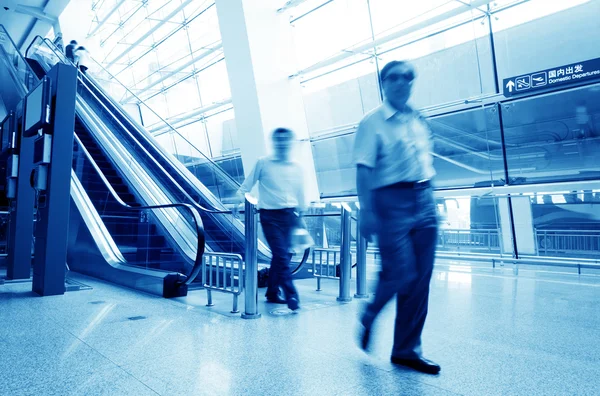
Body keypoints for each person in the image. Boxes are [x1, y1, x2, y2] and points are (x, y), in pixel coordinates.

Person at [353, 60, 440, 375]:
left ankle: (406, 351)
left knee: (420, 280)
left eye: (408, 77)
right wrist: (366, 212)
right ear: (383, 83)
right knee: (400, 271)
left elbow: (424, 162)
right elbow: (364, 169)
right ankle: (370, 313)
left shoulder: (419, 120)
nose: (402, 82)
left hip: (425, 199)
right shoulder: (372, 122)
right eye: (394, 77)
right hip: (390, 201)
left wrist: (430, 195)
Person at [237, 128, 305, 311]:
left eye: (286, 140)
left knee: (284, 255)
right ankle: (292, 295)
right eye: (278, 140)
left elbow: (300, 195)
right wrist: (246, 204)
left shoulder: (296, 167)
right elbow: (244, 189)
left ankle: (272, 292)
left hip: (291, 215)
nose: (282, 143)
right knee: (281, 254)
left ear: (290, 143)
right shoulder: (263, 163)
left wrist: (301, 218)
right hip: (270, 216)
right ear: (273, 142)